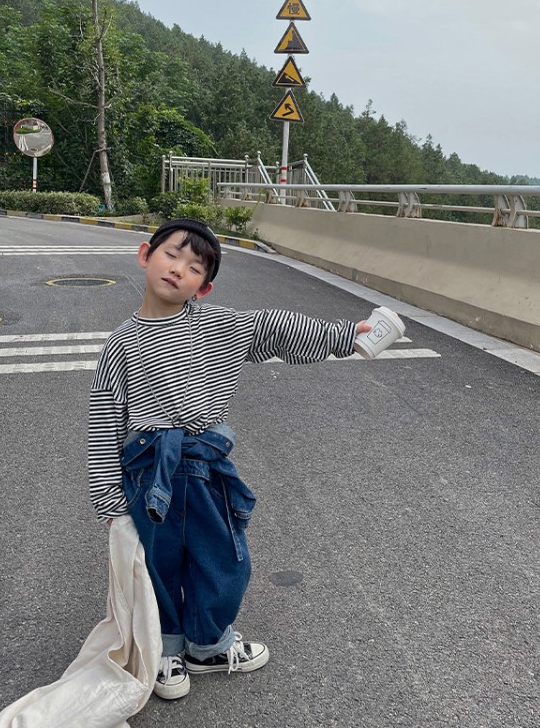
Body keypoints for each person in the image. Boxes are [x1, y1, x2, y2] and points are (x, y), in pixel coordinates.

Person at [88, 218, 371, 700]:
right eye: (171, 254)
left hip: (205, 470)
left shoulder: (219, 326)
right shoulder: (120, 343)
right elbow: (105, 417)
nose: (179, 269)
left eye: (195, 267)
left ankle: (208, 645)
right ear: (145, 255)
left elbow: (274, 327)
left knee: (224, 560)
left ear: (204, 287)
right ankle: (165, 650)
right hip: (150, 474)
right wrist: (109, 498)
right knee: (157, 565)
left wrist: (346, 335)